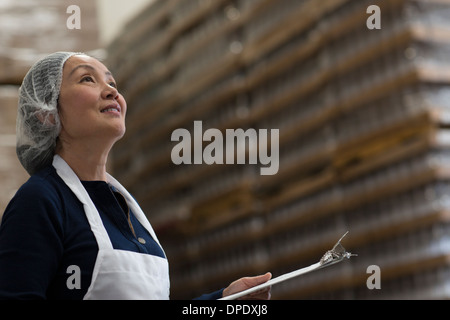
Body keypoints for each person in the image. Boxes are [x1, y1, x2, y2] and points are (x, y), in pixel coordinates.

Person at [0, 52, 272, 300]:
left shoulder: (127, 208)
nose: (111, 91)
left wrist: (224, 299)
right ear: (46, 114)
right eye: (87, 79)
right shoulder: (40, 201)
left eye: (113, 84)